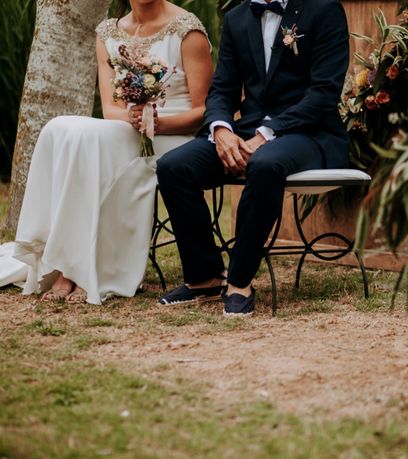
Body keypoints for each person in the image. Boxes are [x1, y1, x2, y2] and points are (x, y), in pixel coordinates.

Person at [0, 0, 212, 304]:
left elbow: (204, 111)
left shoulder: (187, 30)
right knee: (63, 128)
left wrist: (157, 124)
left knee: (95, 143)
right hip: (127, 127)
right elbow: (111, 109)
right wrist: (135, 119)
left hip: (175, 134)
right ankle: (64, 264)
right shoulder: (108, 33)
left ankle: (84, 271)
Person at [156, 0, 350, 316]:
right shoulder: (236, 18)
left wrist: (266, 134)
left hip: (312, 132)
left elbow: (324, 93)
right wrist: (221, 130)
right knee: (174, 166)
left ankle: (239, 282)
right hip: (248, 130)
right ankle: (204, 277)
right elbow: (222, 90)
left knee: (265, 163)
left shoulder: (324, 10)